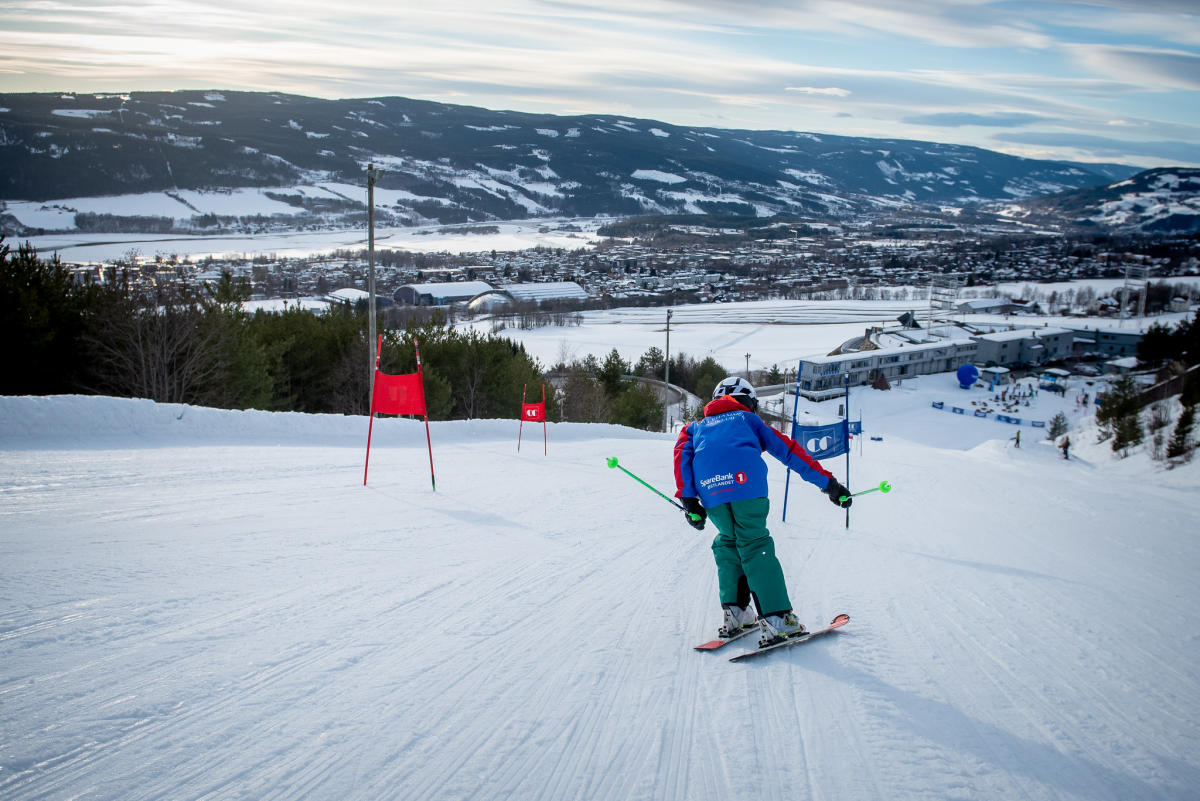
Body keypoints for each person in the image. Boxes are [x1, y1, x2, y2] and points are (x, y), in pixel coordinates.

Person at [673, 377, 851, 647]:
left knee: (728, 542)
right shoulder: (749, 420)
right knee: (755, 545)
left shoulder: (694, 428)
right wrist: (830, 485)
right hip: (746, 489)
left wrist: (689, 501)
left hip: (712, 495)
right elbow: (790, 452)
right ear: (749, 403)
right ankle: (778, 619)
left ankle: (737, 614)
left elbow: (681, 457)